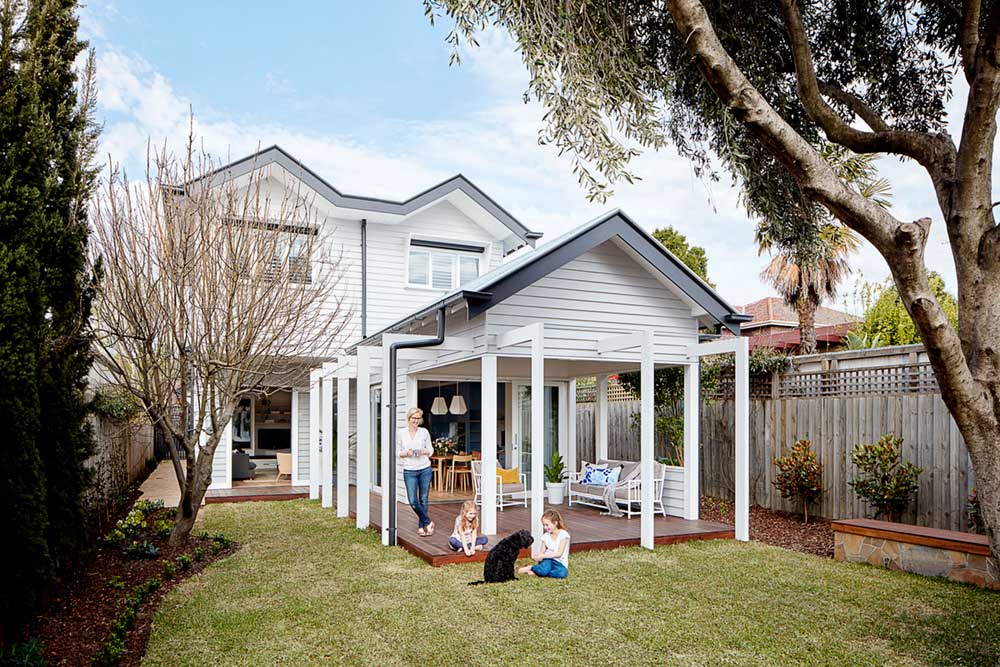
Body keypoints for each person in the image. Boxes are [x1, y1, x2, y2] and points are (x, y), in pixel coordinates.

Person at [398, 407, 435, 536]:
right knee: (413, 501)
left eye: (418, 418)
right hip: (409, 471)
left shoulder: (424, 432)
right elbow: (397, 452)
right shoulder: (401, 433)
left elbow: (431, 451)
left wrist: (423, 451)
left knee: (423, 499)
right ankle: (428, 522)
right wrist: (406, 453)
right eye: (413, 418)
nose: (416, 420)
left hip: (425, 468)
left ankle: (421, 527)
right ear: (408, 419)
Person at [519, 510, 570, 579]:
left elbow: (559, 554)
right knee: (543, 570)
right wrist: (539, 557)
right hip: (547, 560)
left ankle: (536, 571)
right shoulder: (545, 536)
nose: (545, 527)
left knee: (562, 574)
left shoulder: (563, 535)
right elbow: (542, 551)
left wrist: (543, 555)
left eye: (547, 525)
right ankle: (532, 568)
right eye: (543, 525)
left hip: (560, 563)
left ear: (555, 523)